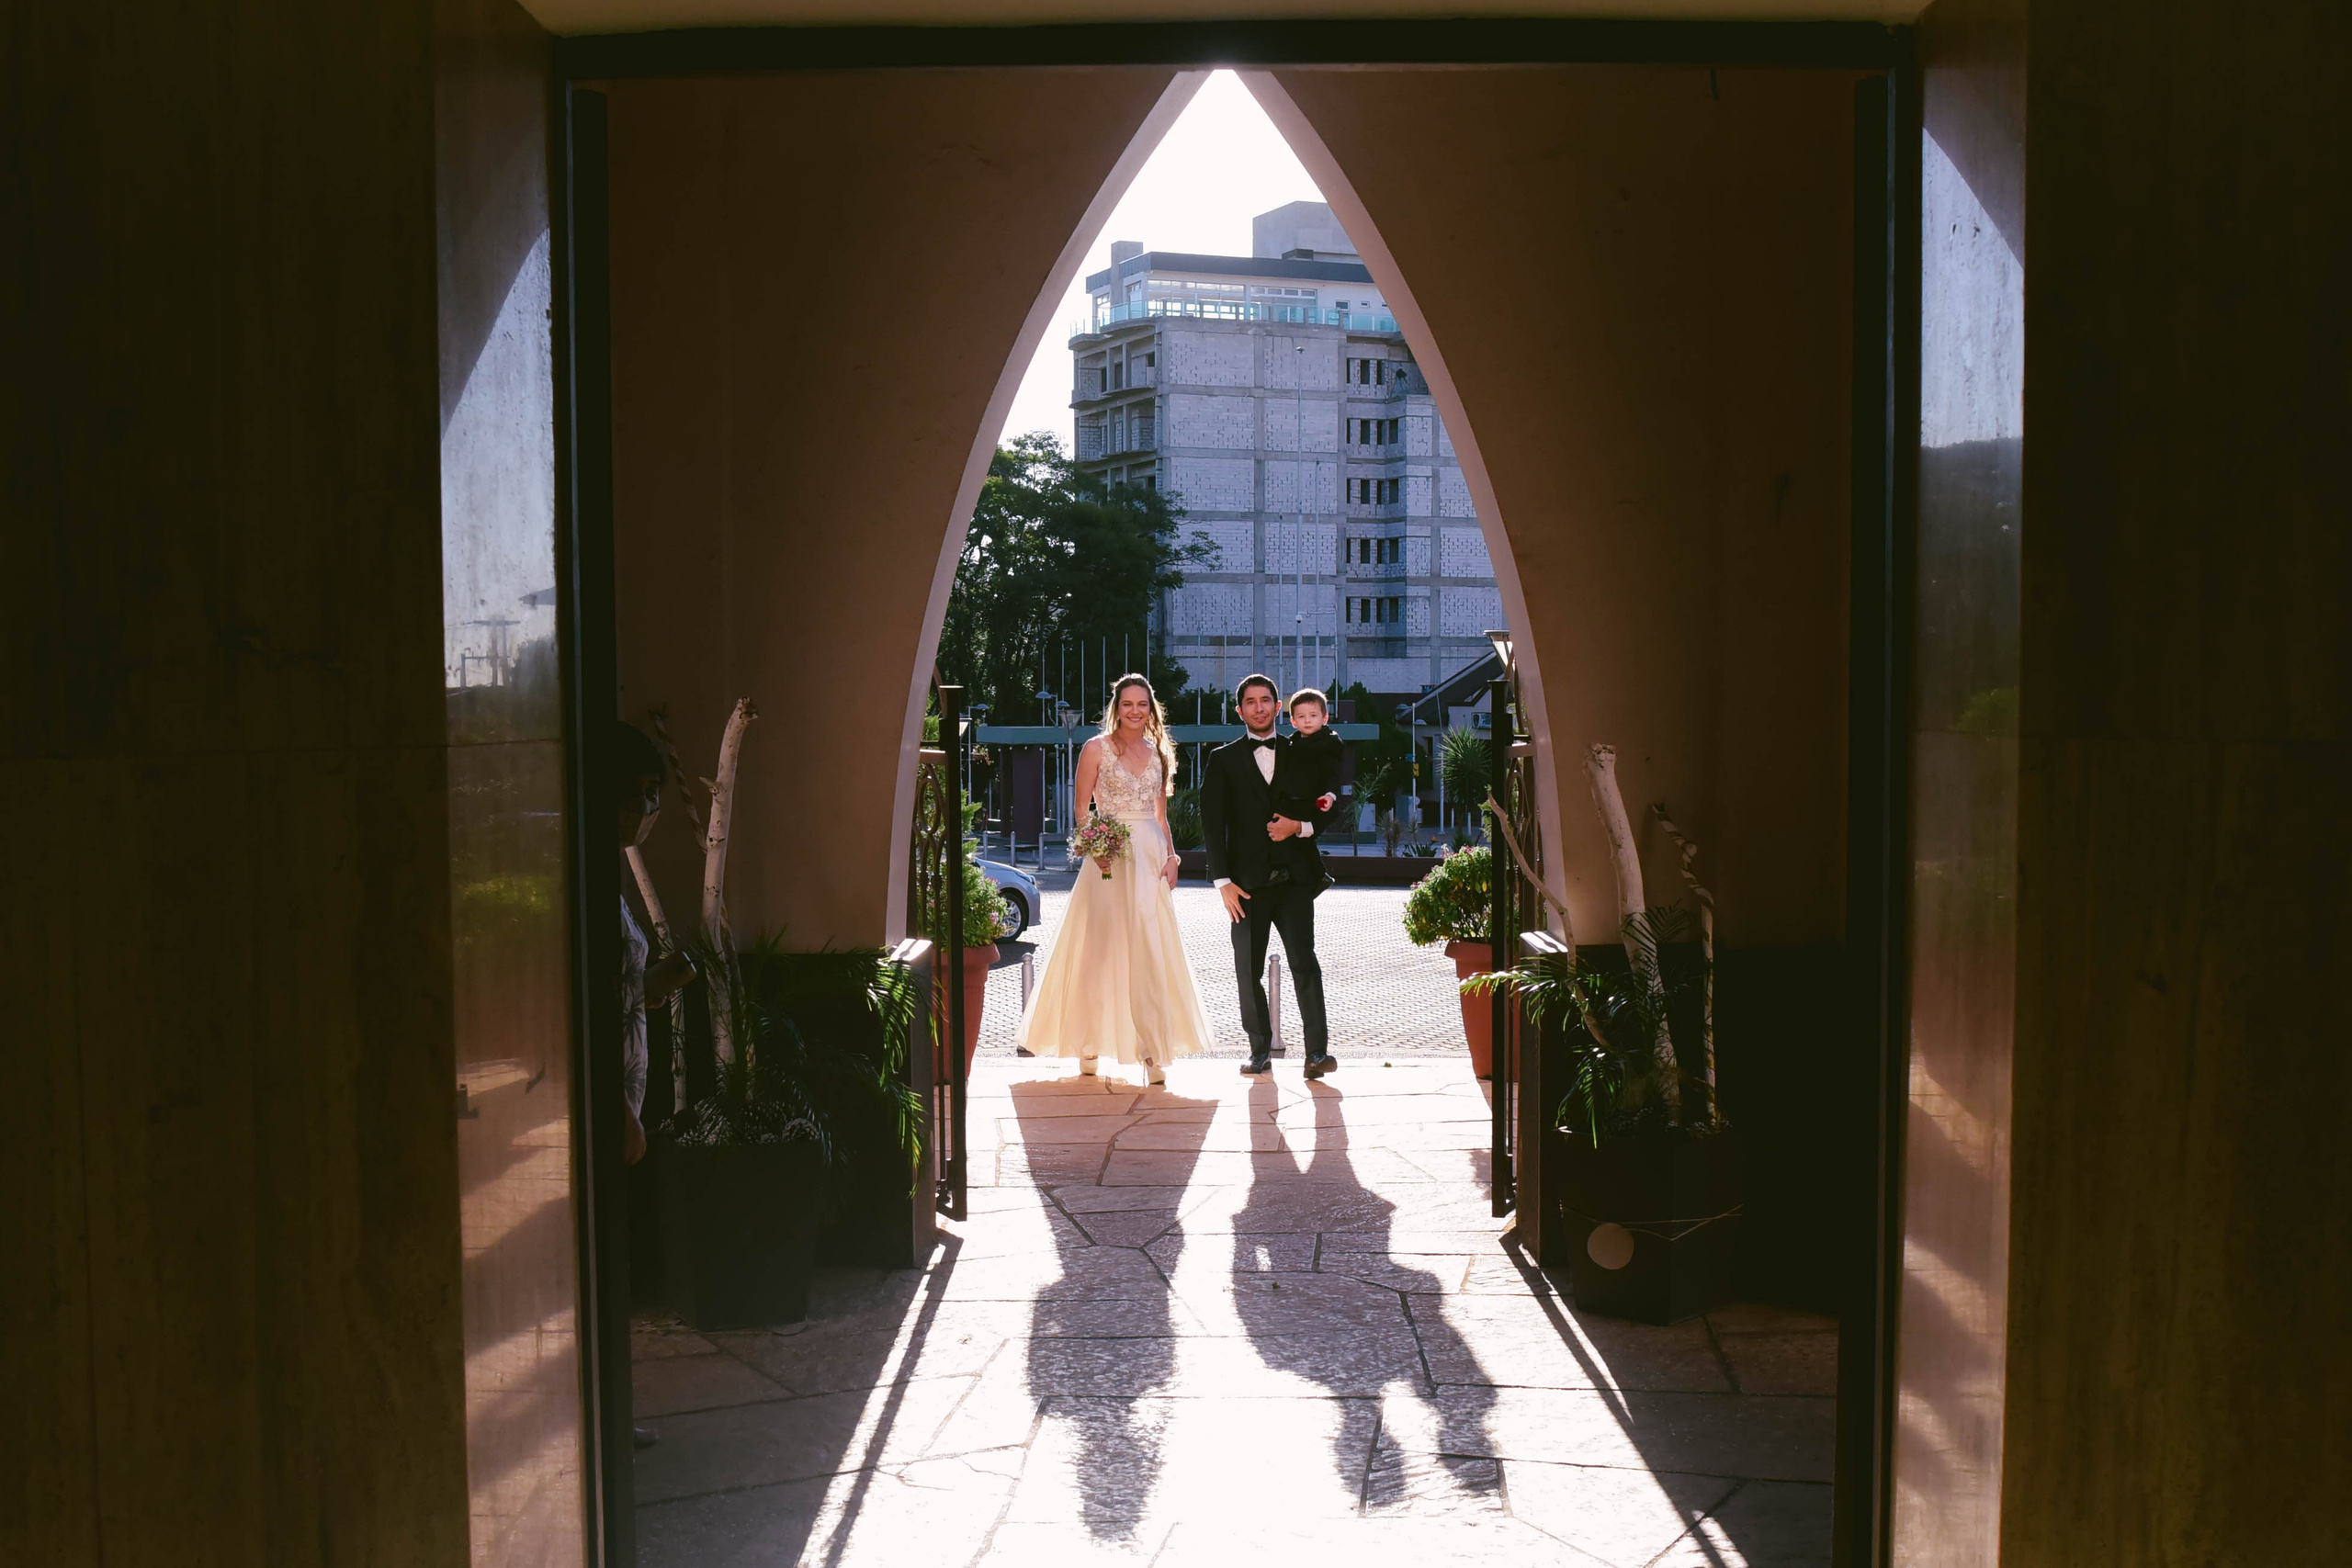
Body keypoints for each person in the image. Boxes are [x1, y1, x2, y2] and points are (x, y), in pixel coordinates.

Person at [1013, 674, 1215, 1086]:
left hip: (1150, 856)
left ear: (1151, 708)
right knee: (1100, 947)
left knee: (1149, 948)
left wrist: (1173, 856)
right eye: (1128, 704)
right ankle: (1088, 1042)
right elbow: (1081, 808)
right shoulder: (1095, 748)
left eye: (1143, 704)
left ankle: (1154, 1049)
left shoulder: (1159, 753)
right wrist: (1096, 846)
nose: (1135, 711)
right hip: (1109, 857)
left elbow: (1160, 816)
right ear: (1116, 707)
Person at [1202, 674, 1340, 1078]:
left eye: (1266, 700)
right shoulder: (1222, 759)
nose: (1259, 707)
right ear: (1240, 709)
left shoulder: (1305, 750)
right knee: (1248, 970)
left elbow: (1331, 802)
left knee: (1305, 964)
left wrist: (1300, 826)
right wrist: (1222, 881)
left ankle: (1317, 1054)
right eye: (1251, 701)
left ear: (1279, 708)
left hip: (1295, 881)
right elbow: (1213, 824)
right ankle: (1258, 1050)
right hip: (1244, 887)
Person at [615, 721, 697, 1166]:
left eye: (654, 791)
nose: (649, 805)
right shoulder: (580, 886)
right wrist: (620, 1114)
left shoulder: (606, 877)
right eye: (642, 788)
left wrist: (642, 988)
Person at [1264, 687, 1342, 893]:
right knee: (1291, 835)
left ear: (1325, 718)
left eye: (1313, 716)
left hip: (1313, 799)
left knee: (1294, 832)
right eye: (1301, 716)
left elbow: (1333, 773)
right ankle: (1315, 875)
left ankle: (1289, 870)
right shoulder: (1292, 742)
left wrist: (1330, 795)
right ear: (1293, 721)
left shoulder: (1329, 742)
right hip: (1292, 798)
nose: (1308, 721)